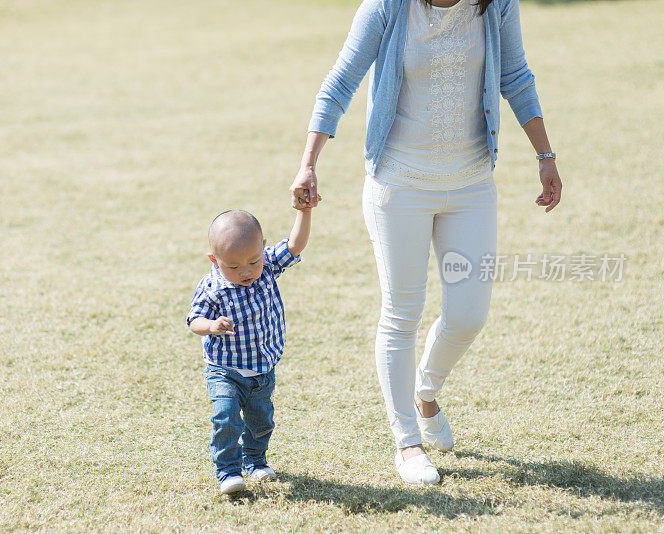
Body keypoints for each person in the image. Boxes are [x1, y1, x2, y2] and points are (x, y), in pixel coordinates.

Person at [290, 0, 562, 485]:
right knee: (401, 313)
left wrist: (544, 155)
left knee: (468, 313)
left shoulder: (496, 6)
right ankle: (408, 442)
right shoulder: (386, 8)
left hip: (471, 181)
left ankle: (426, 390)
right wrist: (309, 162)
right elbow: (340, 81)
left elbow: (516, 76)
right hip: (400, 183)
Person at [186, 207, 311, 494]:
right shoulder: (213, 287)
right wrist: (212, 324)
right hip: (225, 369)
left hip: (263, 369)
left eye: (252, 261)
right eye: (233, 266)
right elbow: (194, 320)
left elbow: (295, 245)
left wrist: (304, 212)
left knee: (261, 421)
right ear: (214, 260)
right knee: (226, 417)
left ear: (263, 247)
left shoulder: (266, 266)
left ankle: (255, 461)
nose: (245, 271)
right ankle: (228, 470)